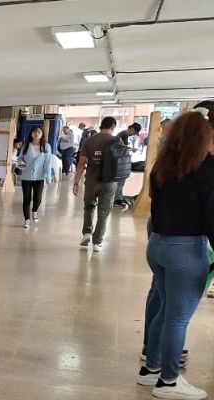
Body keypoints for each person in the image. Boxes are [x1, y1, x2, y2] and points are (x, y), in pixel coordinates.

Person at [137, 101, 214, 400]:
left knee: (165, 310)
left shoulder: (163, 167)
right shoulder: (207, 168)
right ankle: (168, 382)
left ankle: (150, 368)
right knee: (177, 318)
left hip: (158, 245)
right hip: (186, 250)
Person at [73, 116, 119, 252]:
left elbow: (81, 164)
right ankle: (97, 242)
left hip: (92, 181)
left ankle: (87, 232)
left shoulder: (89, 140)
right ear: (113, 127)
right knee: (104, 212)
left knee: (89, 206)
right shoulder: (117, 140)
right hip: (109, 182)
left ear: (101, 126)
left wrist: (76, 183)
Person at [19, 126, 54, 228]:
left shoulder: (46, 147)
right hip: (26, 176)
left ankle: (34, 211)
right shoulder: (25, 146)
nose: (36, 133)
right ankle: (27, 220)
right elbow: (20, 157)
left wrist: (48, 176)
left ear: (42, 134)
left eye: (39, 132)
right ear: (31, 134)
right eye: (34, 131)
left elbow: (48, 162)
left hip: (39, 177)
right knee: (26, 199)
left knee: (37, 199)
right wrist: (21, 163)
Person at [114, 122, 141, 206]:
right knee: (120, 180)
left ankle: (118, 197)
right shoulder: (123, 135)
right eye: (134, 132)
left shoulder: (122, 134)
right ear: (132, 129)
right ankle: (116, 199)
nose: (133, 135)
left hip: (120, 160)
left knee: (121, 180)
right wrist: (131, 149)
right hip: (120, 161)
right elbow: (121, 148)